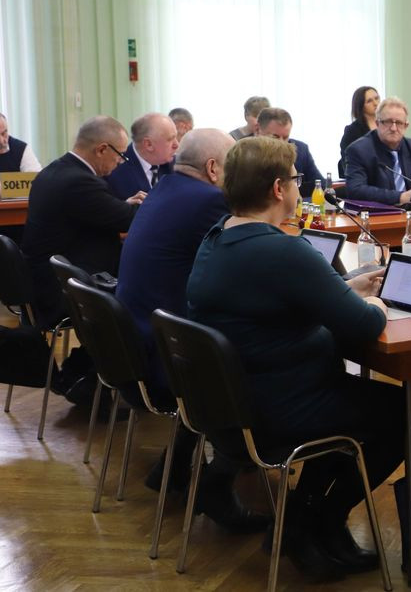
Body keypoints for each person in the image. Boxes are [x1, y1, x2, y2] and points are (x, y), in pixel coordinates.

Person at [187, 136, 405, 582]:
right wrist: (377, 303)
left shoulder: (217, 237)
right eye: (295, 178)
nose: (298, 186)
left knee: (359, 411)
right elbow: (364, 325)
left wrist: (343, 288)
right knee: (402, 412)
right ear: (277, 189)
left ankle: (304, 522)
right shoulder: (284, 249)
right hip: (281, 408)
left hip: (232, 405)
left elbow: (271, 298)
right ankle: (316, 520)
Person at [115, 128, 265, 530]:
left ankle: (176, 464)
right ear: (214, 169)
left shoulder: (164, 188)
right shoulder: (208, 201)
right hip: (169, 356)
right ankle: (220, 481)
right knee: (264, 360)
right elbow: (246, 267)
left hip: (141, 342)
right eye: (234, 168)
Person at [23, 117, 143, 329]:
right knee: (148, 287)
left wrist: (124, 206)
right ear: (102, 149)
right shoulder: (79, 181)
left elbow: (94, 211)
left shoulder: (56, 169)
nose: (121, 162)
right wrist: (156, 205)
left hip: (49, 277)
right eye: (121, 155)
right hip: (65, 289)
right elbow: (129, 220)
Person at [343, 96, 411, 205]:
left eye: (399, 123)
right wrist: (399, 197)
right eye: (388, 122)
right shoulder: (359, 150)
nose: (393, 128)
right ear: (377, 123)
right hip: (378, 213)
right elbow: (355, 190)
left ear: (406, 126)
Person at [105, 113, 179, 201]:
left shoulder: (178, 166)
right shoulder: (112, 169)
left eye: (176, 137)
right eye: (170, 139)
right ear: (148, 144)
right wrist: (125, 205)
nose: (176, 145)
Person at [255, 107, 324, 197]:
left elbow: (320, 184)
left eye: (285, 137)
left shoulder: (301, 150)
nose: (282, 143)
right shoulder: (245, 155)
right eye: (275, 137)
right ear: (258, 130)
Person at [0, 110, 42, 199]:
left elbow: (39, 183)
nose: (1, 141)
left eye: (4, 133)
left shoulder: (21, 149)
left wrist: (4, 188)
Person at [337, 86, 379, 177]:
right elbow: (348, 161)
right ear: (361, 105)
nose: (376, 103)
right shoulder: (352, 131)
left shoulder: (387, 126)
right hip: (363, 177)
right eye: (369, 101)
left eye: (376, 98)